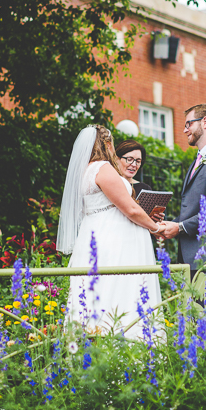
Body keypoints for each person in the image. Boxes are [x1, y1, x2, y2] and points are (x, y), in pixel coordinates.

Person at [57, 125, 163, 338]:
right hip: (113, 242)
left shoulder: (85, 171)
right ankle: (127, 343)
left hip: (95, 236)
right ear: (106, 144)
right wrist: (156, 227)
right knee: (120, 290)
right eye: (112, 144)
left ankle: (90, 343)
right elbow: (131, 209)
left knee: (100, 291)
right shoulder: (103, 168)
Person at [158, 104, 206, 275]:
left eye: (189, 124)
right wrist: (171, 225)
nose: (185, 130)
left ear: (205, 122)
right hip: (191, 258)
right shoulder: (197, 161)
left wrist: (180, 227)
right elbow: (193, 209)